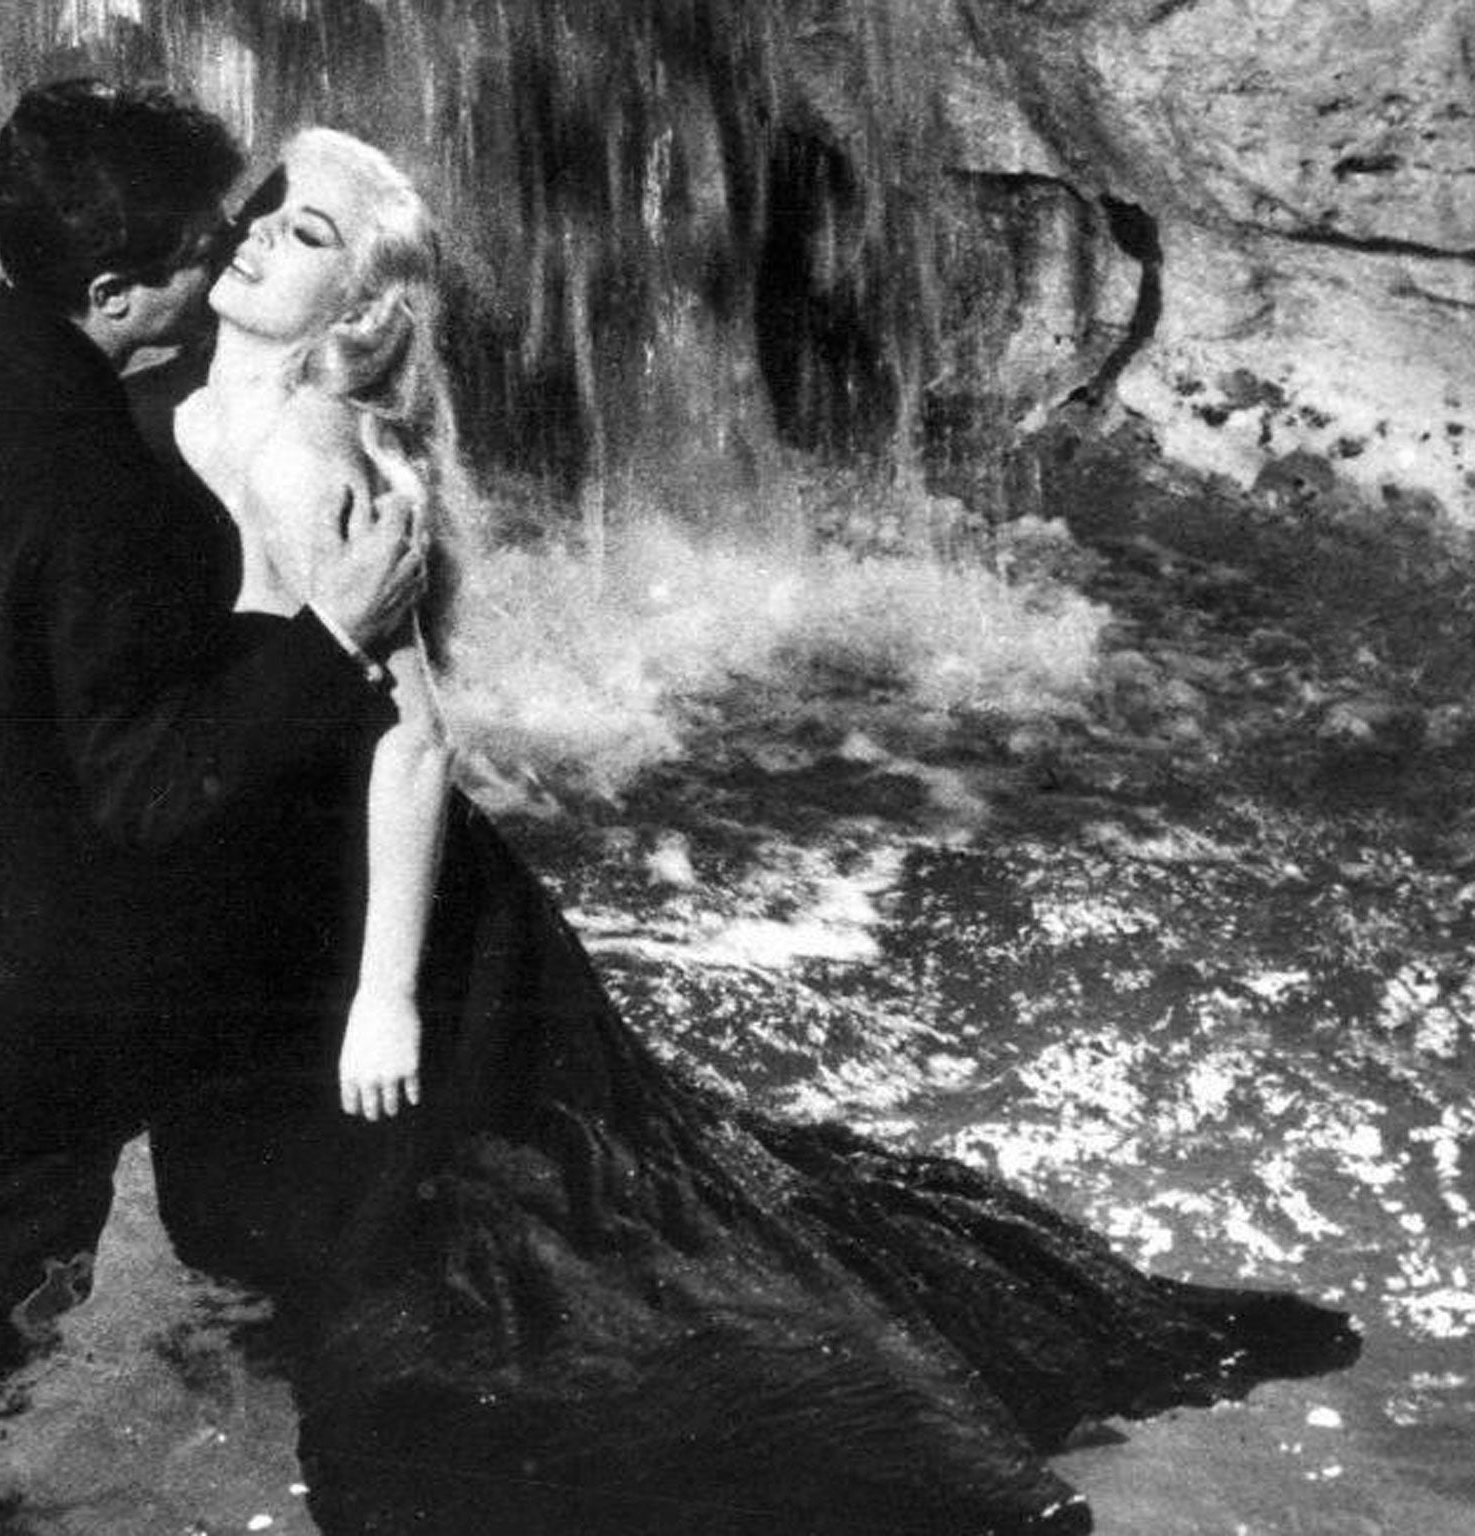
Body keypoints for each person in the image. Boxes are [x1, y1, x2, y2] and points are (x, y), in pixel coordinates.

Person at [141, 128, 1364, 1536]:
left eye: (306, 237)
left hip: (384, 906)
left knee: (510, 1250)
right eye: (264, 212)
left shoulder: (303, 454)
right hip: (290, 879)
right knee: (409, 1222)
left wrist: (381, 998)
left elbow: (415, 742)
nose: (254, 238)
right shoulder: (195, 410)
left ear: (361, 310)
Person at [0, 84, 421, 1522]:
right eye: (202, 249)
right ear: (114, 292)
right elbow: (147, 790)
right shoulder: (114, 496)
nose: (229, 266)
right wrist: (328, 644)